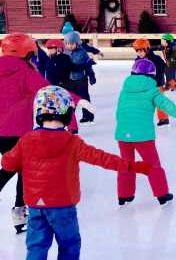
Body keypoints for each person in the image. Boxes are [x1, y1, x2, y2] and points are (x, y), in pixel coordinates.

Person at [1, 85, 150, 260]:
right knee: (69, 244)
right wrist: (133, 166)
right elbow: (101, 158)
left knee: (36, 245)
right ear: (67, 113)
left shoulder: (26, 140)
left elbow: (8, 163)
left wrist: (19, 157)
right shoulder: (72, 142)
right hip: (63, 206)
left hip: (36, 206)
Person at [0, 33, 93, 234]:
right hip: (17, 131)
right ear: (26, 52)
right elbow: (50, 91)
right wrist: (78, 99)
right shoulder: (25, 72)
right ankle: (19, 210)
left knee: (17, 167)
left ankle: (19, 211)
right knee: (20, 169)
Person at [115, 59, 176, 206]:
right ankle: (162, 195)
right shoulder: (153, 92)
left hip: (123, 134)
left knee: (126, 164)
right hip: (143, 135)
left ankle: (124, 195)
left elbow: (119, 112)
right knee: (152, 165)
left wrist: (125, 129)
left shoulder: (125, 91)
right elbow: (169, 107)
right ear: (152, 76)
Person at [132, 38, 169, 126]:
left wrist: (158, 81)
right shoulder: (137, 61)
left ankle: (164, 119)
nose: (139, 53)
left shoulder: (156, 59)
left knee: (159, 102)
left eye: (141, 51)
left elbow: (163, 69)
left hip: (157, 85)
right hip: (145, 86)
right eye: (137, 51)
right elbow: (134, 72)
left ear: (147, 49)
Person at [64, 31, 97, 125]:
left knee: (84, 98)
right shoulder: (65, 52)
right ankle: (69, 118)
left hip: (81, 79)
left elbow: (88, 65)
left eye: (71, 44)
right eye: (66, 44)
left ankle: (88, 116)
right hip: (69, 79)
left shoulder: (82, 52)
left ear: (77, 43)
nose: (68, 46)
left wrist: (91, 75)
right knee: (70, 99)